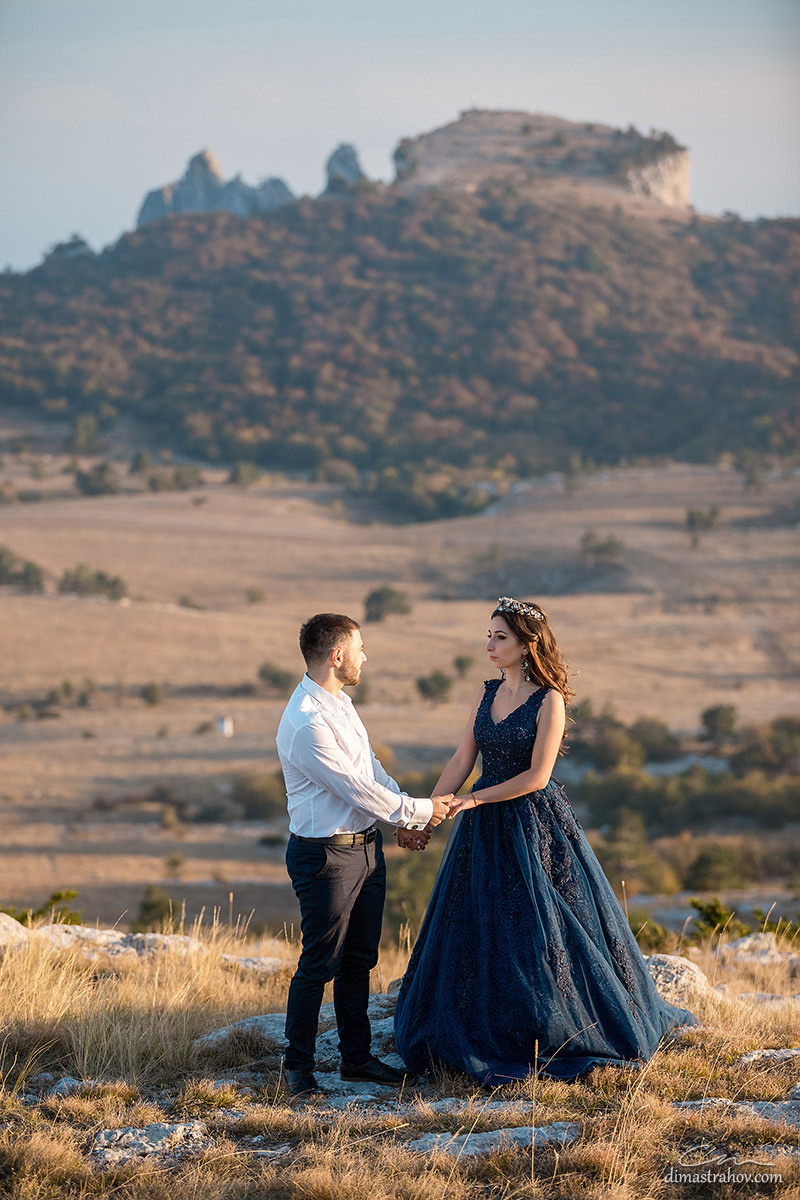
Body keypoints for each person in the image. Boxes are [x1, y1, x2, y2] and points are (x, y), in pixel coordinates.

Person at [394, 596, 699, 1086]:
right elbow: (460, 760)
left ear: (527, 644)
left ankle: (548, 1025)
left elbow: (538, 776)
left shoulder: (549, 698)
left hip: (532, 825)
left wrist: (472, 802)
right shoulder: (485, 691)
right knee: (478, 922)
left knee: (539, 927)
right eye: (488, 635)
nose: (489, 645)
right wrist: (428, 813)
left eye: (501, 637)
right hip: (483, 829)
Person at [276, 612, 453, 1098]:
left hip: (366, 849)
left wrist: (405, 819)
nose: (365, 656)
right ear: (337, 656)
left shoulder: (341, 704)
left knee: (359, 960)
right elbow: (354, 790)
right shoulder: (306, 722)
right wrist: (421, 810)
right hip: (326, 857)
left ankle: (356, 1060)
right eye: (360, 648)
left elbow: (370, 770)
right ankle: (298, 1068)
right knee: (320, 961)